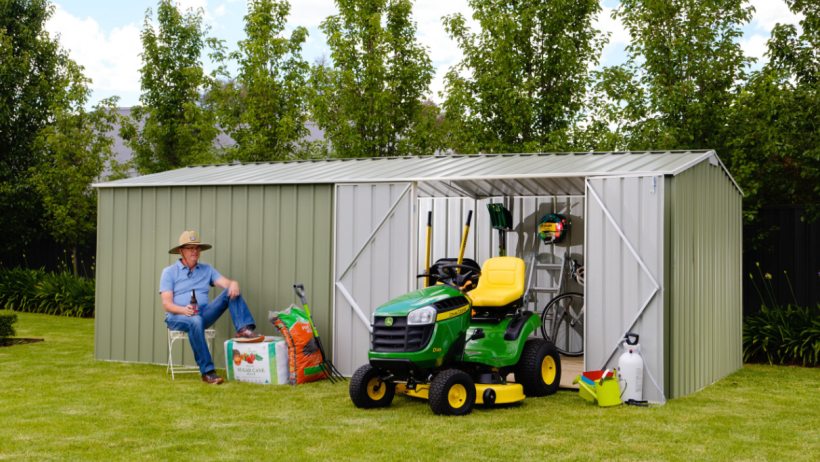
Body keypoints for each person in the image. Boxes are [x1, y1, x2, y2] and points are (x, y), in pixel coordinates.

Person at [160, 230, 264, 385]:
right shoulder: (169, 272)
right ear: (181, 251)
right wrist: (184, 310)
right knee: (194, 320)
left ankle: (243, 329)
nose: (194, 251)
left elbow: (225, 283)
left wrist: (233, 283)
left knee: (231, 292)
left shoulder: (207, 269)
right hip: (177, 316)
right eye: (190, 248)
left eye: (197, 248)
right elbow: (166, 305)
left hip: (202, 314)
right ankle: (207, 372)